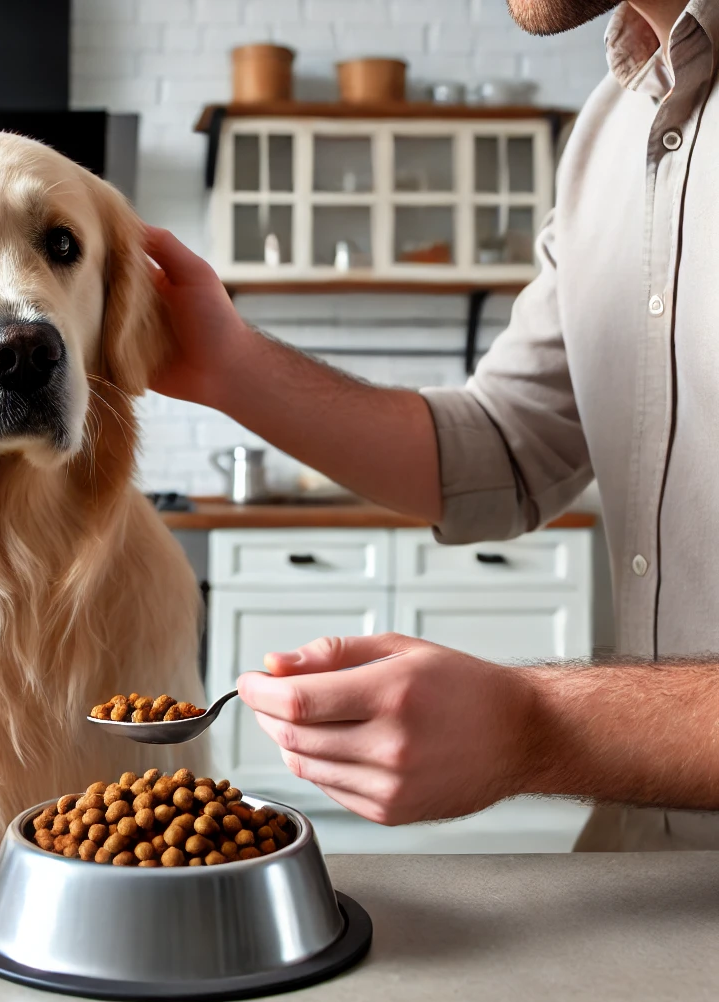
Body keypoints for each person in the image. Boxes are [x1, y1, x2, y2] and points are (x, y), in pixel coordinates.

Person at [143, 0, 719, 853]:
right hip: (639, 888)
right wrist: (231, 366)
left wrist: (536, 726)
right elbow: (502, 447)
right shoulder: (612, 126)